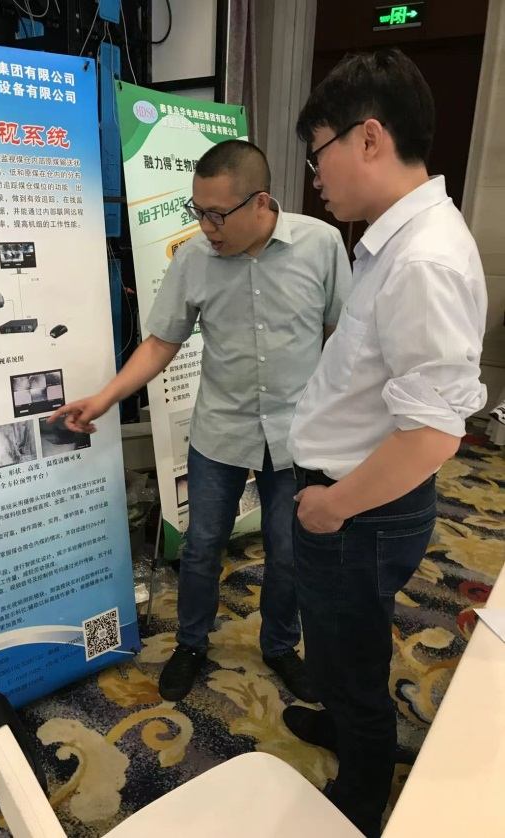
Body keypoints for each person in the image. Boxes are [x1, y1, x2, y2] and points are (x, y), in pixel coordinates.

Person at [49, 140, 352, 703]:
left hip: (298, 435)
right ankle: (191, 642)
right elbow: (161, 341)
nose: (205, 227)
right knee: (202, 545)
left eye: (216, 214)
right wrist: (105, 398)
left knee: (289, 552)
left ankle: (280, 645)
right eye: (198, 211)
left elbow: (341, 337)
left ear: (260, 202)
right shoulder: (194, 258)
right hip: (221, 431)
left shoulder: (321, 244)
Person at [283, 48, 487, 837]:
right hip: (354, 494)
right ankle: (344, 724)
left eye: (318, 153)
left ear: (368, 138)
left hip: (359, 507)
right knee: (339, 641)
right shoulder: (393, 241)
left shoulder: (422, 258)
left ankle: (362, 790)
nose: (315, 177)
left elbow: (433, 433)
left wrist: (333, 505)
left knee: (352, 650)